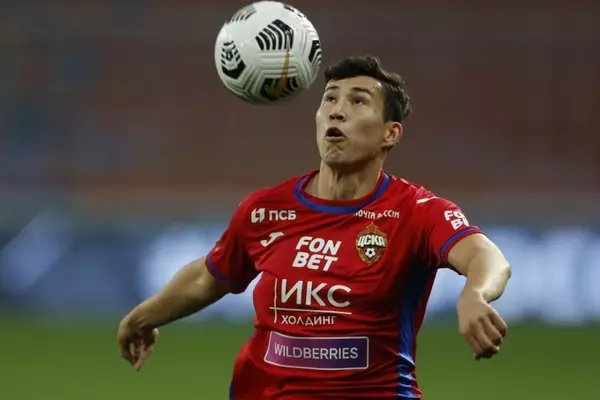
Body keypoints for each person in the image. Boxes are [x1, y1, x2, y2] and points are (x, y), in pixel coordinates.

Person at [117, 55, 511, 399]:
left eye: (358, 101)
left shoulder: (415, 212)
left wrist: (474, 294)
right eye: (330, 99)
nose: (337, 111)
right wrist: (141, 318)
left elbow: (486, 256)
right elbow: (209, 276)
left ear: (390, 133)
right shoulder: (265, 209)